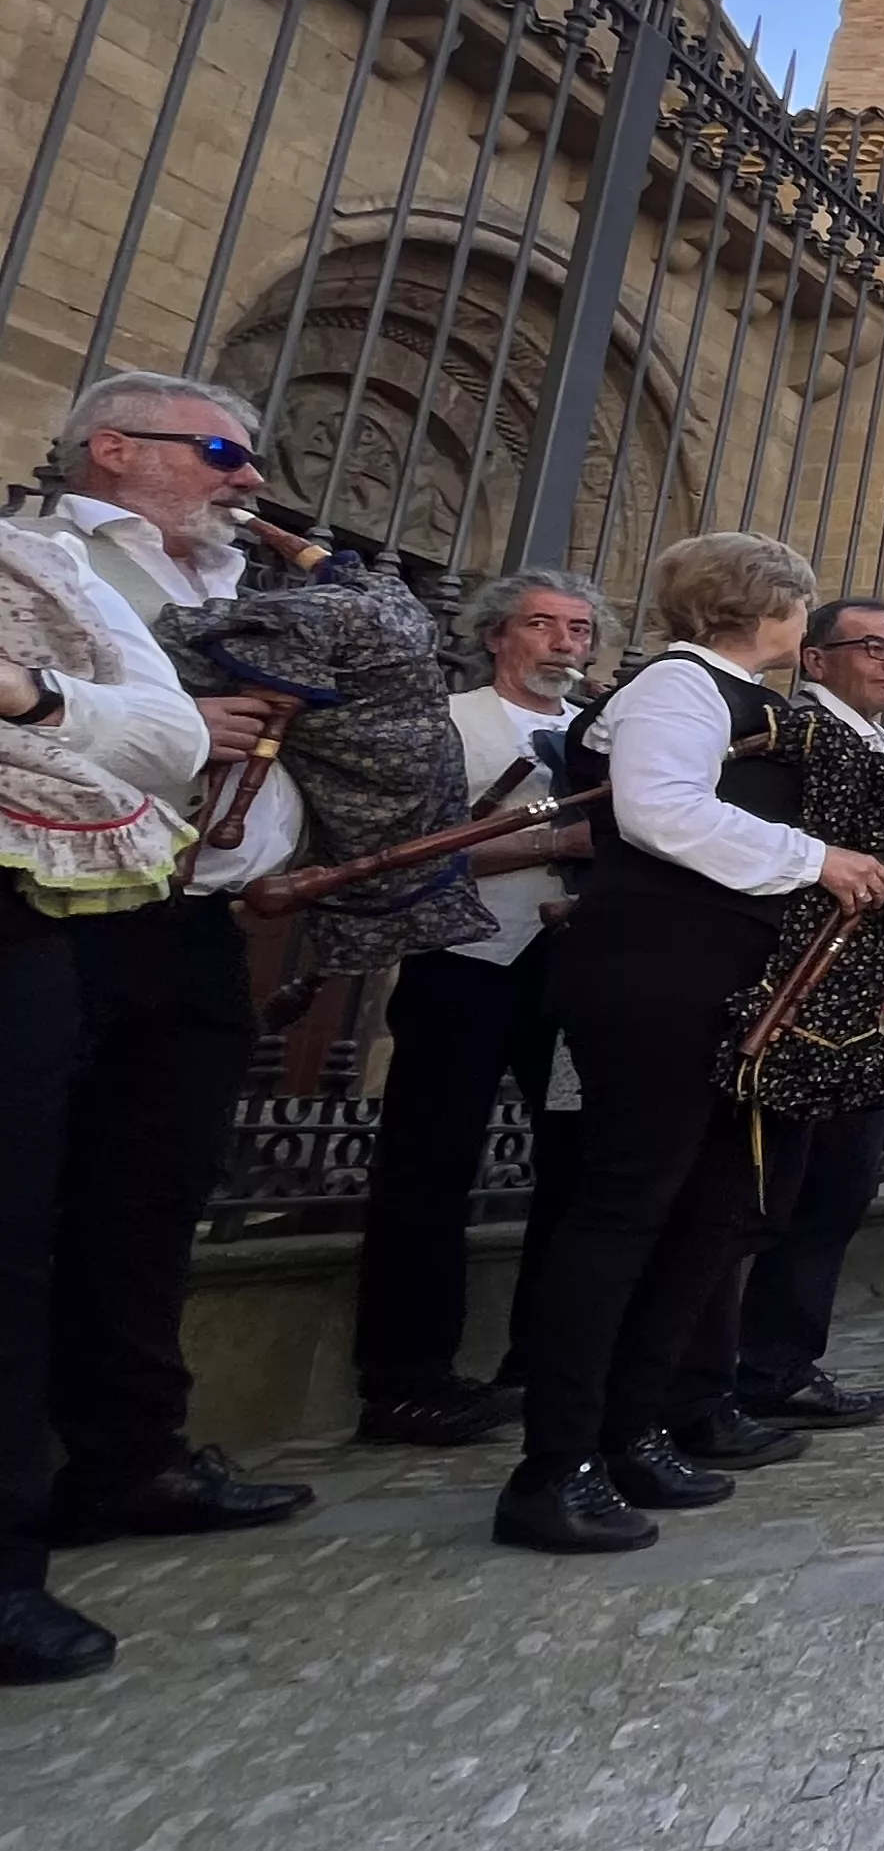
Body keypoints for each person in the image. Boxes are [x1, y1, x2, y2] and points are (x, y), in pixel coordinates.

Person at [496, 534, 884, 1554]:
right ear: (764, 607)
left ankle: (637, 1427)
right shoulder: (680, 688)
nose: (804, 624)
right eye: (799, 605)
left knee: (712, 1210)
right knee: (625, 1208)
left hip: (724, 981)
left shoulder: (740, 697)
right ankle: (556, 1465)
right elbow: (660, 810)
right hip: (655, 972)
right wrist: (819, 859)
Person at [38, 374, 328, 1548]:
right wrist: (177, 730)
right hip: (65, 915)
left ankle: (130, 1457)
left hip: (201, 922)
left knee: (153, 1203)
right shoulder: (44, 561)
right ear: (112, 450)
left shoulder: (239, 583)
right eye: (219, 449)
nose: (248, 476)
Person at [0, 513, 209, 1681]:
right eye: (218, 453)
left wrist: (27, 695)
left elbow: (168, 740)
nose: (249, 479)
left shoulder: (41, 567)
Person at [674, 594, 884, 1447]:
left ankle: (780, 1361)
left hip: (848, 1005)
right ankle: (720, 1378)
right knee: (760, 1196)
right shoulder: (794, 742)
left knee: (835, 1188)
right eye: (873, 646)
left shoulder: (866, 749)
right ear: (815, 659)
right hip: (793, 999)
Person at [353, 567, 599, 1449]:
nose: (564, 644)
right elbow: (403, 852)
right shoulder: (448, 725)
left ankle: (543, 1360)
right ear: (498, 635)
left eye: (578, 630)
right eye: (543, 625)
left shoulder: (598, 735)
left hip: (572, 970)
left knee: (575, 1171)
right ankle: (406, 1378)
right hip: (465, 958)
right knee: (428, 1168)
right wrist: (557, 840)